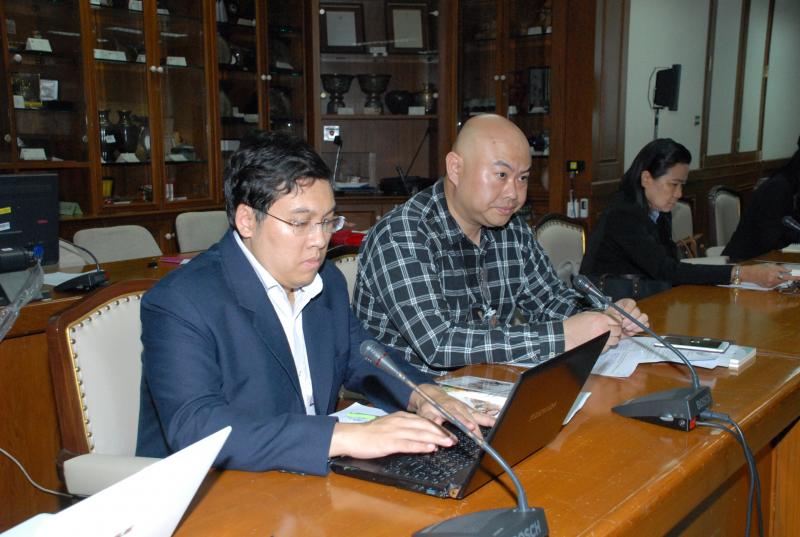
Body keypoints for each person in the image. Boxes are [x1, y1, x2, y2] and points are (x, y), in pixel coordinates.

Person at [136, 131, 494, 475]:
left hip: (304, 475)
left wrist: (423, 394)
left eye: (327, 222)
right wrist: (344, 437)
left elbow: (359, 356)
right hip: (214, 490)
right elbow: (197, 427)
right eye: (300, 223)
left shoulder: (326, 281)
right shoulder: (181, 301)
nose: (320, 240)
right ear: (246, 220)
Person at [354, 114, 648, 376]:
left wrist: (602, 316)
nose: (514, 194)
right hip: (408, 398)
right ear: (455, 168)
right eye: (502, 175)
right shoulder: (402, 235)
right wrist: (563, 336)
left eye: (523, 178)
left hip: (487, 382)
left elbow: (548, 300)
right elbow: (439, 344)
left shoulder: (510, 228)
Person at [580, 138, 797, 297]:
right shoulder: (623, 214)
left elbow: (671, 267)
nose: (679, 194)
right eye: (673, 184)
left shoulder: (656, 210)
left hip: (646, 300)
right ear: (646, 178)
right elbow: (666, 271)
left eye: (682, 185)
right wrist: (743, 274)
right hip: (607, 309)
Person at [723, 136, 800, 261]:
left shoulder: (791, 184)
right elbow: (771, 239)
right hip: (744, 262)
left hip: (768, 260)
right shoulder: (779, 187)